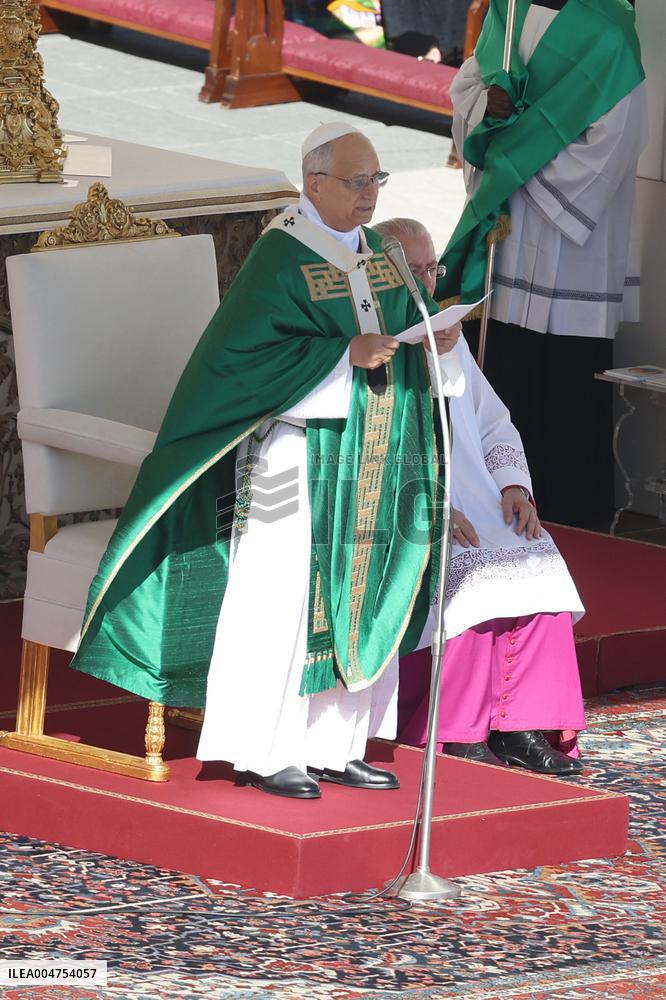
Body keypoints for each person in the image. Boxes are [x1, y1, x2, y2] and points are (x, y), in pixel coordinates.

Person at [69, 123, 463, 800]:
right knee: (281, 601)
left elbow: (403, 323)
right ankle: (262, 750)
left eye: (377, 180)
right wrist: (344, 354)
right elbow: (243, 359)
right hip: (295, 453)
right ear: (315, 184)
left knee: (359, 594)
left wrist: (433, 331)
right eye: (357, 181)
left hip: (370, 453)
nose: (370, 195)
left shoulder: (381, 255)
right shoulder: (280, 256)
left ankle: (337, 746)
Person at [374, 217, 587, 774]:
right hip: (409, 506)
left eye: (431, 268)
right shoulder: (372, 343)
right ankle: (458, 729)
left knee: (538, 561)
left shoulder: (449, 336)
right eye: (412, 270)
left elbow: (493, 423)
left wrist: (515, 487)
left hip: (480, 496)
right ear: (379, 274)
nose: (425, 281)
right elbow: (375, 449)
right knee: (465, 571)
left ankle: (521, 726)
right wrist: (431, 507)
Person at [440, 0, 647, 529]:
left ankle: (572, 515)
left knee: (565, 385)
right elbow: (466, 90)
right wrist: (487, 106)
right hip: (511, 227)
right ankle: (495, 508)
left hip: (570, 248)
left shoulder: (608, 35)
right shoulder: (506, 13)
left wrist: (518, 161)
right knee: (504, 365)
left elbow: (617, 140)